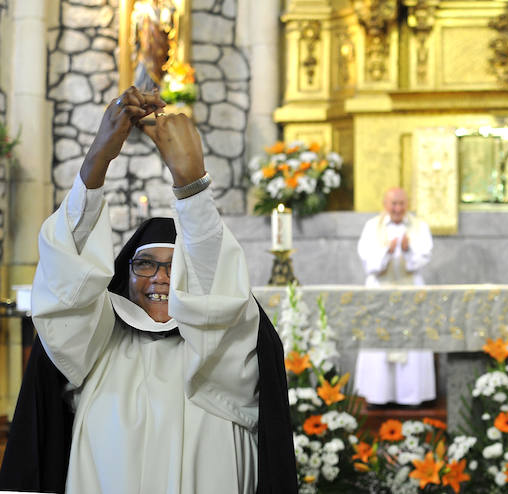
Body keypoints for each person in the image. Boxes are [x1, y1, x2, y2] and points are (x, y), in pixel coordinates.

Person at [0, 87, 296, 493]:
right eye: (145, 264)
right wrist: (96, 161)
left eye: (175, 267)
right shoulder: (96, 338)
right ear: (126, 273)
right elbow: (66, 279)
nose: (159, 277)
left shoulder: (223, 348)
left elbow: (216, 281)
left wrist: (191, 184)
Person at [354, 187, 436, 406]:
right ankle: (378, 395)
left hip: (410, 293)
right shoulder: (372, 227)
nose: (397, 208)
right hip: (380, 291)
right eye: (393, 203)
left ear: (407, 204)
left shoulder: (420, 227)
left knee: (411, 343)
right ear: (385, 203)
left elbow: (422, 259)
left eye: (401, 204)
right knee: (379, 344)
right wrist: (387, 252)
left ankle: (411, 396)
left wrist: (408, 251)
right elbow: (368, 263)